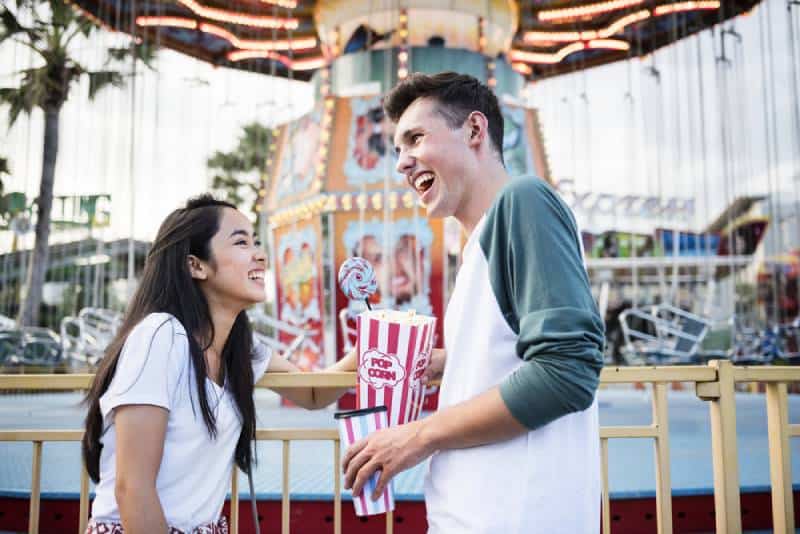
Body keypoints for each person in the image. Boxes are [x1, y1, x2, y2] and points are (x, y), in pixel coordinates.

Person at [341, 72, 605, 533]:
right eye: (398, 149)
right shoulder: (478, 246)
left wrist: (416, 437)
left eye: (415, 139)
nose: (402, 162)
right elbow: (514, 356)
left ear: (475, 130)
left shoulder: (524, 202)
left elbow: (567, 370)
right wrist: (451, 362)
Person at [82, 195, 356, 533]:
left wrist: (374, 342)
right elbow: (133, 487)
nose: (259, 254)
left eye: (256, 242)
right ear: (195, 265)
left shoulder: (241, 347)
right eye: (241, 242)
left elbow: (314, 393)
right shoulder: (160, 337)